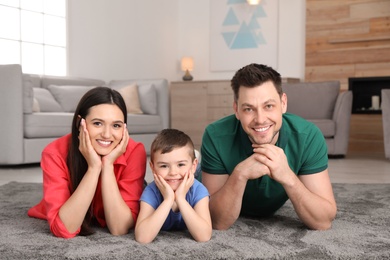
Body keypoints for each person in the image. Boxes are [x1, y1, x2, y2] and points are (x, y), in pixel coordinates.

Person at [199, 63, 337, 231]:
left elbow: (323, 221)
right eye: (249, 109)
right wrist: (239, 175)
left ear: (283, 103)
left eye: (269, 106)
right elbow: (216, 222)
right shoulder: (215, 136)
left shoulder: (308, 137)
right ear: (236, 110)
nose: (260, 119)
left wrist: (288, 177)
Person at [28, 87, 146, 238]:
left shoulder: (135, 151)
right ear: (80, 123)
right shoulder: (54, 153)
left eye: (116, 125)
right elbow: (64, 229)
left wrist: (108, 165)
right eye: (97, 123)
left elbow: (119, 227)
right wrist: (94, 167)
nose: (107, 134)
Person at [135, 129, 212, 244]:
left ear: (193, 165)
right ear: (152, 167)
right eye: (164, 166)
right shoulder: (151, 191)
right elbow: (142, 237)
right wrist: (168, 199)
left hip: (193, 175)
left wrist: (180, 199)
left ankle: (195, 163)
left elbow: (204, 236)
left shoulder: (199, 190)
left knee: (199, 173)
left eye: (180, 164)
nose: (173, 172)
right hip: (157, 186)